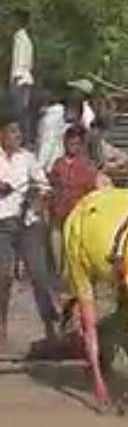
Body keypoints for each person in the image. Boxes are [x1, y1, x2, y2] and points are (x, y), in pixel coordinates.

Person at [0, 117, 58, 345]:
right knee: (3, 277)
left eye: (19, 133)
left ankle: (50, 326)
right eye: (13, 132)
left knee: (39, 275)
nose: (18, 137)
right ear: (1, 134)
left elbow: (45, 187)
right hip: (2, 225)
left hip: (27, 224)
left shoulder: (28, 158)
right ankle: (2, 325)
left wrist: (37, 200)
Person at [47, 126, 97, 274]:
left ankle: (68, 281)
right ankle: (58, 274)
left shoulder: (86, 165)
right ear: (65, 143)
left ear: (81, 145)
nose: (73, 147)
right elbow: (51, 184)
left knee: (71, 250)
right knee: (57, 249)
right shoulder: (58, 163)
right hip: (58, 213)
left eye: (76, 144)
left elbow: (91, 189)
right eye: (70, 143)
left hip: (76, 214)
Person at [9, 10, 34, 147]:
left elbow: (20, 61)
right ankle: (24, 141)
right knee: (22, 114)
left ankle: (22, 142)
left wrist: (15, 80)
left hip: (21, 80)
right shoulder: (26, 39)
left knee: (19, 114)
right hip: (25, 79)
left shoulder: (20, 38)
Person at [34, 89, 66, 171]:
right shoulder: (55, 113)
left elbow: (47, 142)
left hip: (50, 164)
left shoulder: (52, 117)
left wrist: (39, 165)